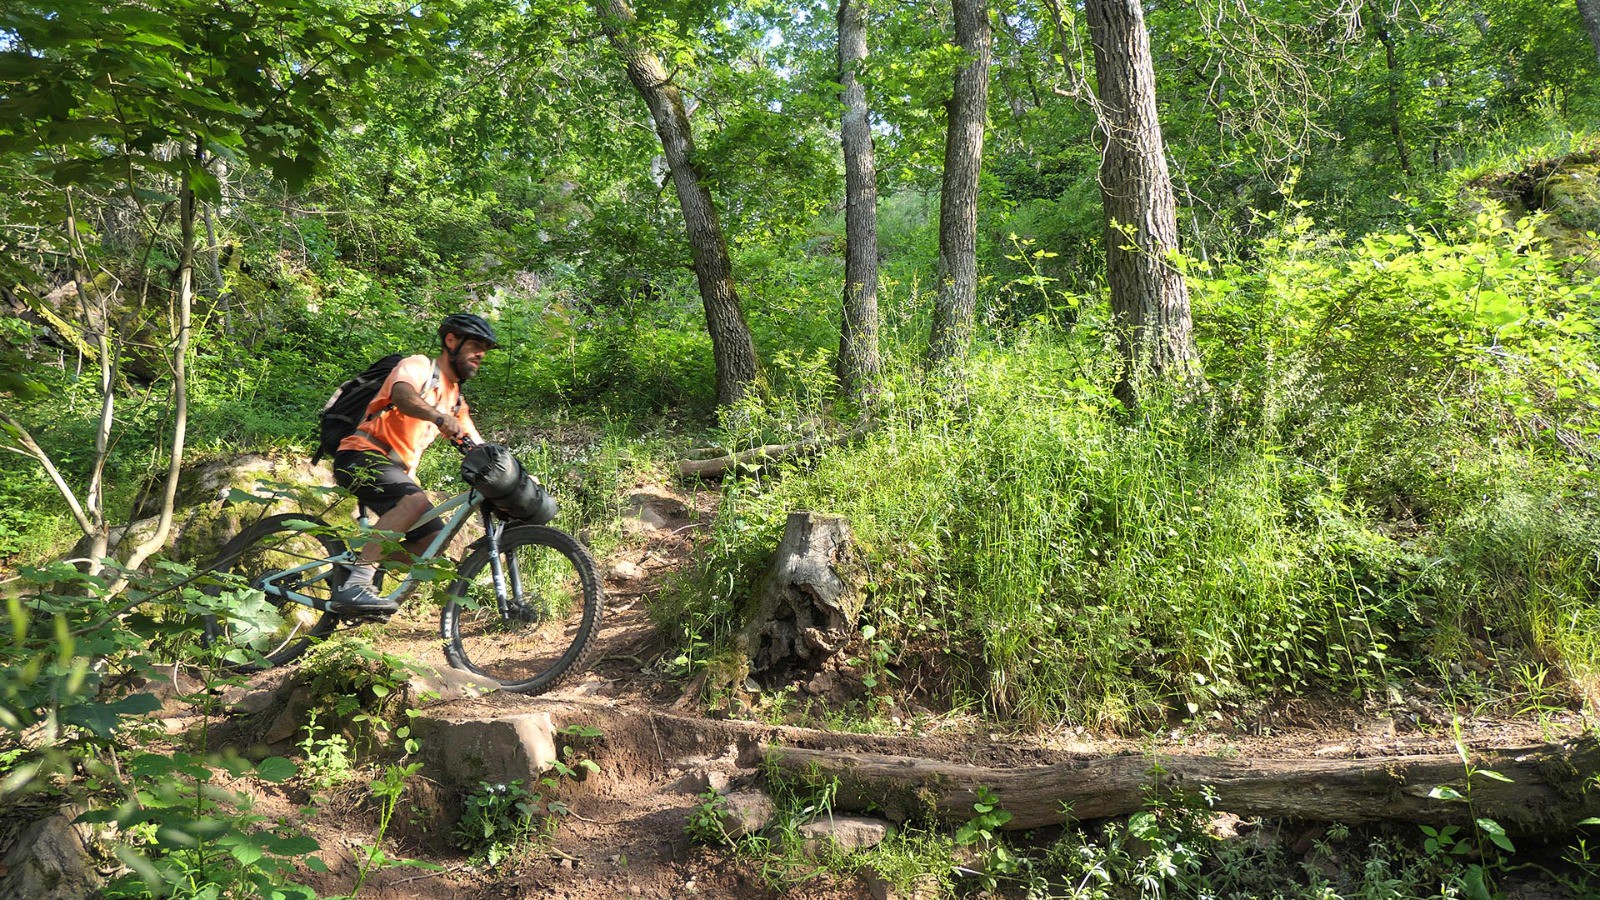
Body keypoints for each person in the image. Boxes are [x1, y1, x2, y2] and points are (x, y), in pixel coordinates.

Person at [328, 313, 497, 615]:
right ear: (451, 341)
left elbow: (480, 449)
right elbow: (402, 395)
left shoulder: (456, 401)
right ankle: (357, 582)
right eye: (475, 345)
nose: (481, 354)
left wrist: (519, 474)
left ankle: (363, 564)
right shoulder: (419, 366)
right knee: (414, 501)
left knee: (432, 544)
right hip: (361, 455)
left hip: (395, 472)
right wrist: (436, 416)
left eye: (485, 349)